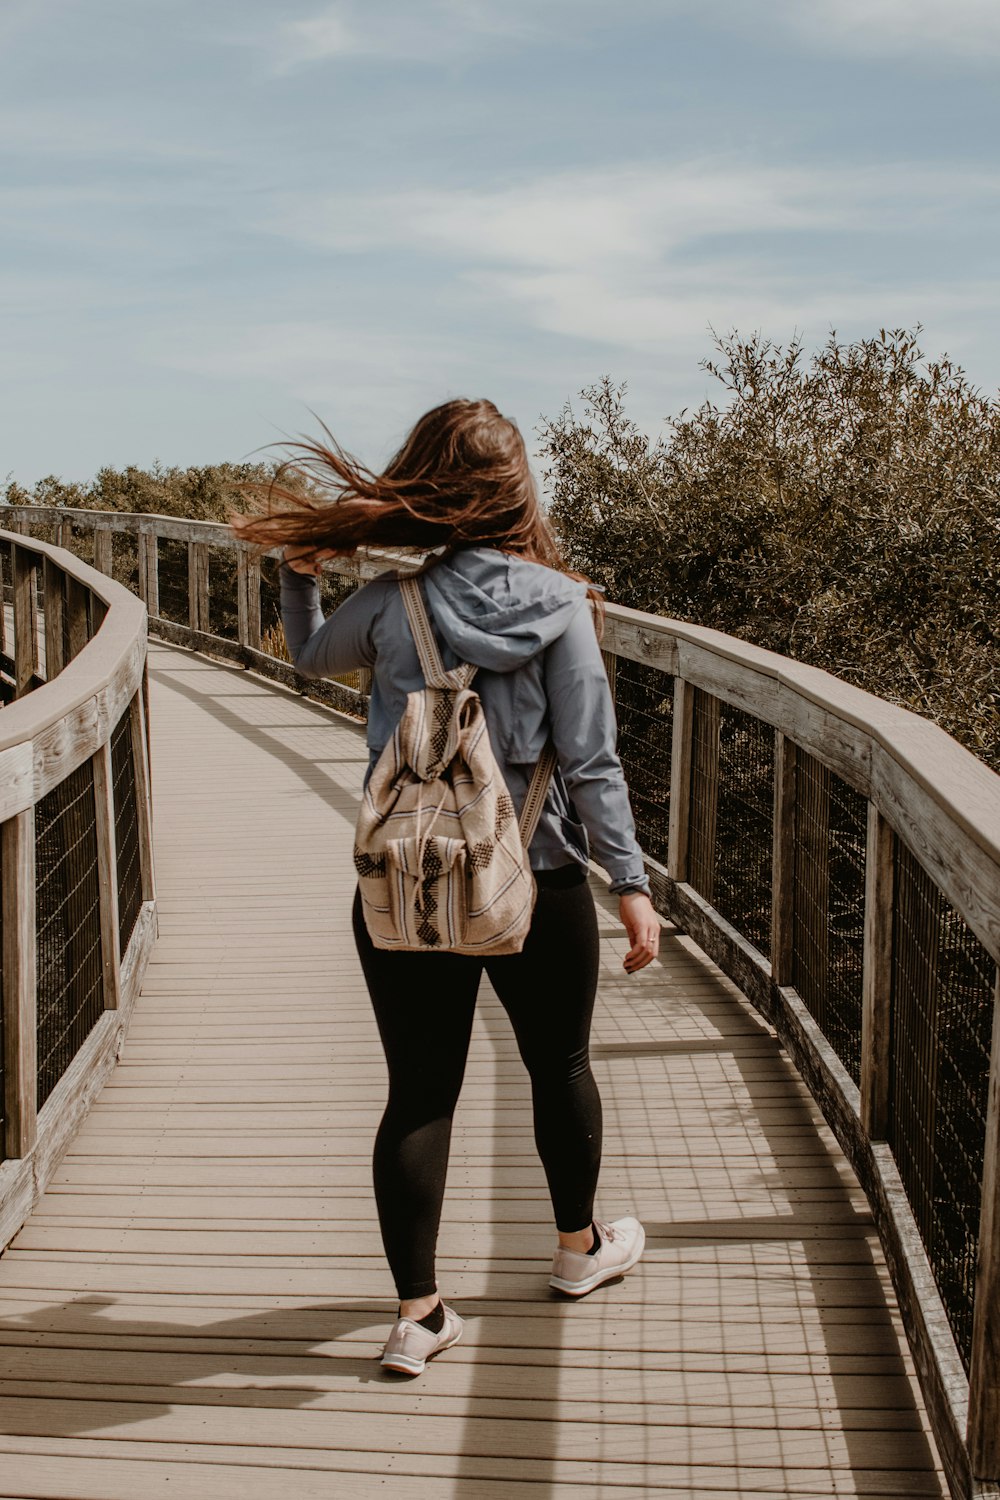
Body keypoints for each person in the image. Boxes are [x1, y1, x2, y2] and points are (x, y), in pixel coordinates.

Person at [234, 399, 660, 1376]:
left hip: (406, 887)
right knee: (559, 1065)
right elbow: (591, 765)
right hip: (536, 882)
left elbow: (305, 658)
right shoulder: (562, 606)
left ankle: (418, 1316)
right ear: (516, 493)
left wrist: (299, 576)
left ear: (421, 485)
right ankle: (577, 1251)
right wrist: (629, 887)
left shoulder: (391, 605)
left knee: (419, 1093)